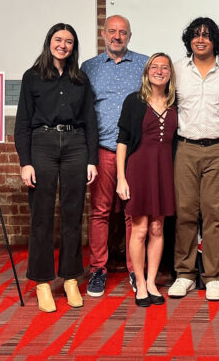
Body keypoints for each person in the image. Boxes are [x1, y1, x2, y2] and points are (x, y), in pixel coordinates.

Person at [14, 23, 98, 312]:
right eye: (59, 39)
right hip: (42, 145)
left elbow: (90, 121)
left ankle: (71, 278)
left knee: (73, 215)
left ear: (74, 47)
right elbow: (22, 123)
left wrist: (91, 160)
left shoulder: (80, 80)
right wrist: (25, 163)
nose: (63, 45)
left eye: (69, 41)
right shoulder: (32, 77)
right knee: (42, 216)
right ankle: (42, 282)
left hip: (76, 146)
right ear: (49, 41)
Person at [168, 17, 219, 301]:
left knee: (215, 214)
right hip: (186, 148)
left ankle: (213, 276)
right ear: (190, 39)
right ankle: (185, 274)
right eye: (196, 35)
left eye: (207, 35)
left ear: (215, 41)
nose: (201, 40)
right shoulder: (177, 69)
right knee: (186, 212)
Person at [81, 15, 148, 297]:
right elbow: (83, 111)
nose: (117, 36)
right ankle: (98, 269)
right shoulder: (89, 68)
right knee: (100, 212)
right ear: (103, 34)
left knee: (135, 214)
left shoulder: (145, 64)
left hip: (136, 152)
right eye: (112, 31)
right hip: (103, 150)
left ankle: (136, 270)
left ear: (129, 35)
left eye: (122, 32)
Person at [116, 53, 177, 307]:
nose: (159, 71)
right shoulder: (134, 101)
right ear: (147, 71)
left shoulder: (176, 103)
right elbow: (122, 141)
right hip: (139, 169)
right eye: (155, 66)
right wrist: (121, 177)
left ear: (171, 73)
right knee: (139, 229)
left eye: (164, 67)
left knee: (157, 228)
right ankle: (139, 283)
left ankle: (152, 281)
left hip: (165, 170)